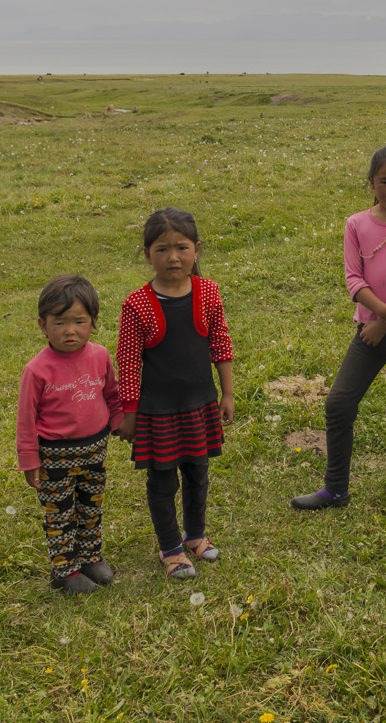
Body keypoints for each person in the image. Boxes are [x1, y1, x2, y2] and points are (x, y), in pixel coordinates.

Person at [292, 145, 386, 511]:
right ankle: (336, 488)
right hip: (368, 329)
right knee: (339, 404)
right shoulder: (356, 223)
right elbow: (354, 279)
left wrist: (384, 325)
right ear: (370, 182)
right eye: (384, 181)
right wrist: (378, 319)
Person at [115, 208, 235, 579]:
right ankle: (171, 548)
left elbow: (221, 345)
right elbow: (129, 362)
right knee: (163, 480)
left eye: (182, 247)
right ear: (147, 253)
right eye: (162, 249)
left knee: (198, 473)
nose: (173, 257)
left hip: (200, 406)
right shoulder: (137, 305)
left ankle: (195, 536)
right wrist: (130, 413)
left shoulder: (207, 292)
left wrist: (227, 394)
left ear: (196, 249)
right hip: (158, 412)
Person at [16, 274, 123, 594]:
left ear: (93, 323)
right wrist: (29, 459)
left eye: (79, 321)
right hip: (54, 459)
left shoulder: (100, 355)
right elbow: (26, 420)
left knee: (91, 507)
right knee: (60, 515)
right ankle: (65, 569)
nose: (70, 330)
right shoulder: (37, 369)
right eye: (60, 322)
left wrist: (120, 423)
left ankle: (90, 558)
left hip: (94, 453)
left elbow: (112, 396)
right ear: (42, 325)